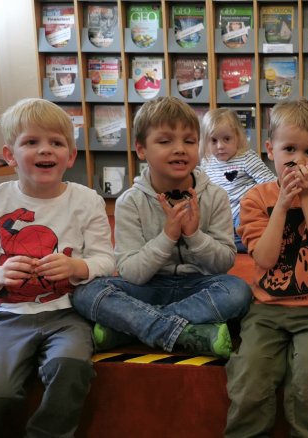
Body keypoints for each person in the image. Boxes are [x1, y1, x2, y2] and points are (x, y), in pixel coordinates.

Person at [0, 98, 115, 437]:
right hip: (9, 316)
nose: (45, 151)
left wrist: (76, 266)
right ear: (10, 155)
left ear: (70, 156)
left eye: (56, 143)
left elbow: (107, 260)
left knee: (69, 368)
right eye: (31, 142)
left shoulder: (87, 201)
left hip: (70, 314)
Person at [72, 96, 252, 357]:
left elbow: (223, 263)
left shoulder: (215, 196)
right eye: (165, 141)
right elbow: (131, 273)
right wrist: (168, 236)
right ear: (141, 149)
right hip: (147, 288)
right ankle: (185, 331)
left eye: (189, 141)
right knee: (87, 292)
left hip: (198, 286)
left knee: (238, 291)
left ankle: (128, 329)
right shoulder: (129, 201)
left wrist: (194, 235)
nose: (180, 149)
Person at [224, 99, 308, 437]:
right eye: (289, 149)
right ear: (270, 149)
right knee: (249, 375)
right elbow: (264, 259)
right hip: (268, 310)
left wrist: (307, 198)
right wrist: (282, 203)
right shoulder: (255, 199)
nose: (299, 160)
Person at [199, 108, 275, 253]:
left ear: (238, 137)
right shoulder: (206, 163)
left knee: (247, 223)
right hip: (221, 217)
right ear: (205, 141)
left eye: (226, 139)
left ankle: (252, 242)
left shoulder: (246, 157)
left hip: (244, 212)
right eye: (214, 140)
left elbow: (269, 182)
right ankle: (236, 243)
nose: (220, 146)